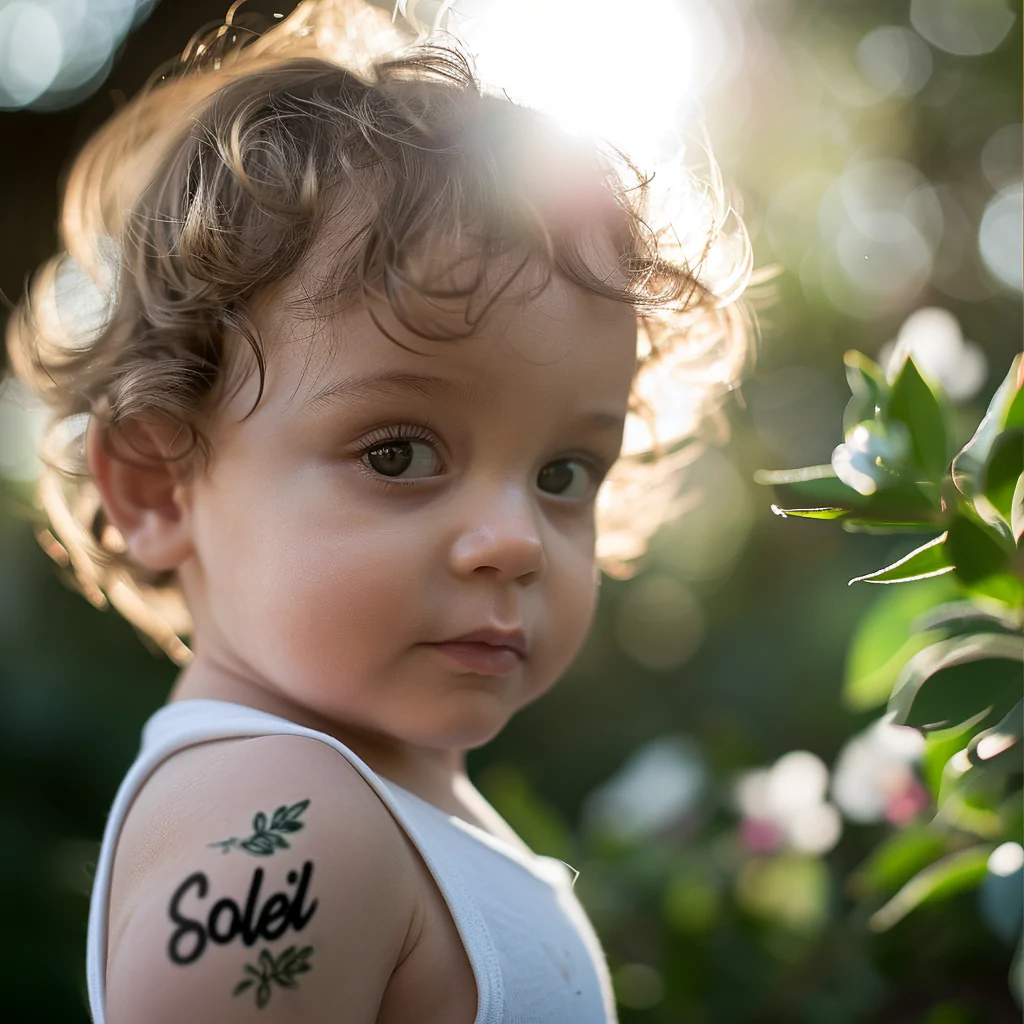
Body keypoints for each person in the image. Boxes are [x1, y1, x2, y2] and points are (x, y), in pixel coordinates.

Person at [6, 1, 760, 1020]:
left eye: (565, 473)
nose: (513, 541)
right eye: (398, 453)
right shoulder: (287, 823)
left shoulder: (377, 808)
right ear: (157, 485)